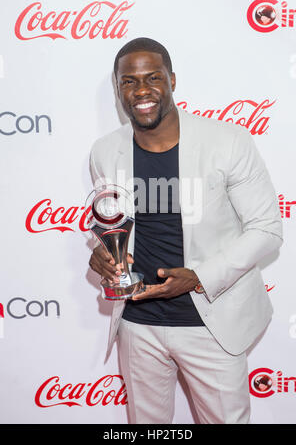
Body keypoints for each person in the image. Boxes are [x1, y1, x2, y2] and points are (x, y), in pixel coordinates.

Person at [89, 37, 283, 424]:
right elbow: (112, 223)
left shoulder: (227, 142)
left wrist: (198, 277)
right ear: (117, 89)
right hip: (137, 323)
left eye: (153, 78)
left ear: (172, 81)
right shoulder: (105, 151)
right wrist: (102, 253)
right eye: (129, 81)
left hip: (213, 323)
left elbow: (266, 229)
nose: (141, 91)